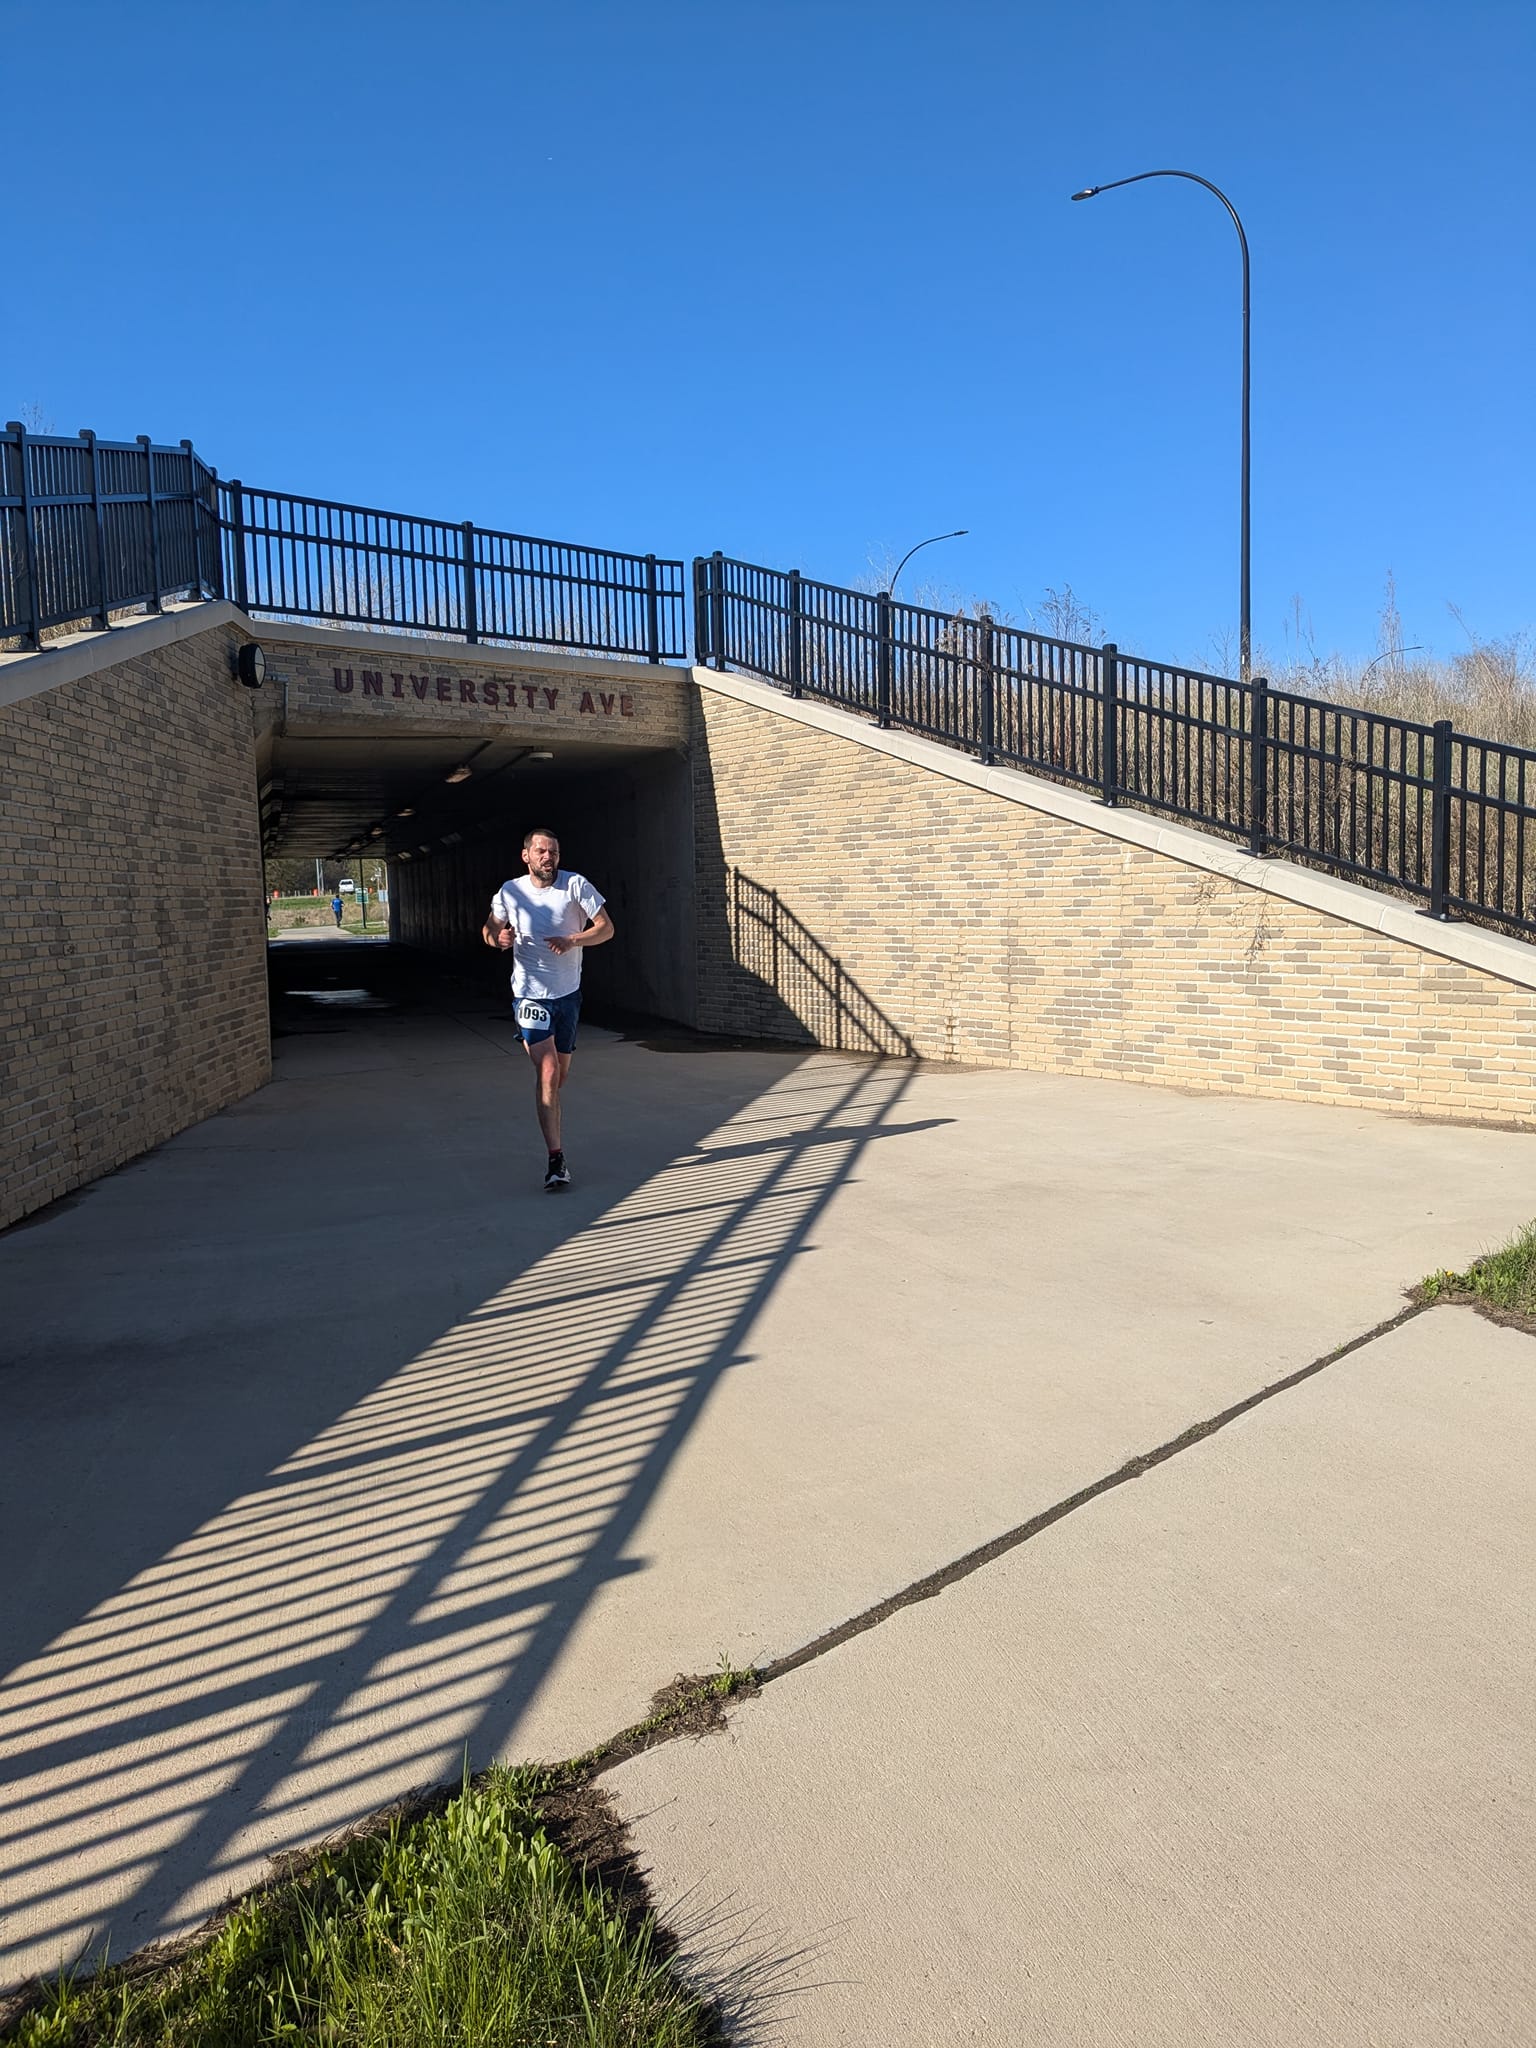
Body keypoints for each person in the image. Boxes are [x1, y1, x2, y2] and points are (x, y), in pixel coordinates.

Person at [482, 828, 614, 1190]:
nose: (548, 857)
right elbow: (489, 930)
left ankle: (554, 1139)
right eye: (541, 851)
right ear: (526, 855)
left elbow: (606, 929)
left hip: (568, 995)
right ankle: (556, 1159)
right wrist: (499, 939)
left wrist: (574, 938)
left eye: (553, 851)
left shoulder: (575, 886)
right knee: (549, 1071)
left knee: (558, 1081)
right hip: (529, 996)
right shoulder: (511, 892)